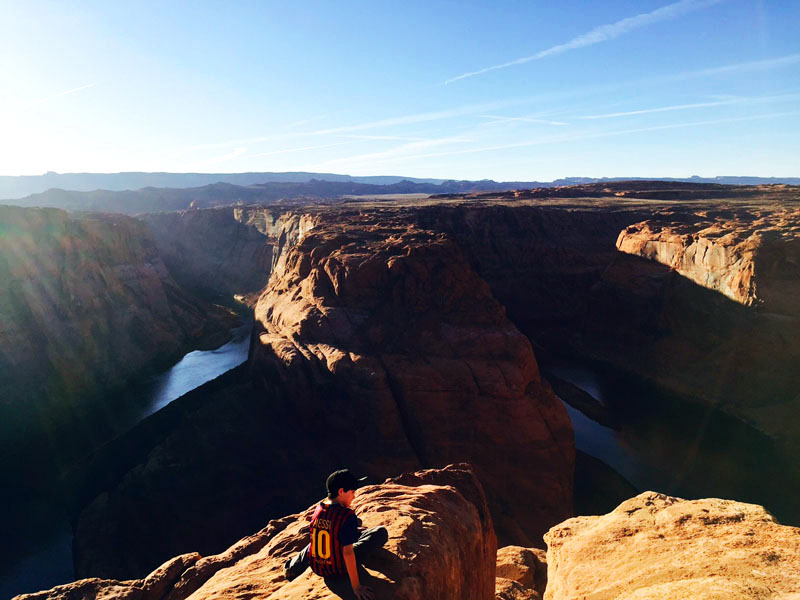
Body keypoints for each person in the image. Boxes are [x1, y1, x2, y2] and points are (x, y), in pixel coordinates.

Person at [284, 469, 388, 600]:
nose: (354, 496)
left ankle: (292, 568)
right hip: (339, 568)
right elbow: (348, 553)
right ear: (341, 491)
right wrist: (356, 587)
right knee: (380, 533)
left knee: (314, 542)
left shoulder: (319, 509)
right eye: (352, 492)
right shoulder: (347, 516)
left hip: (319, 567)